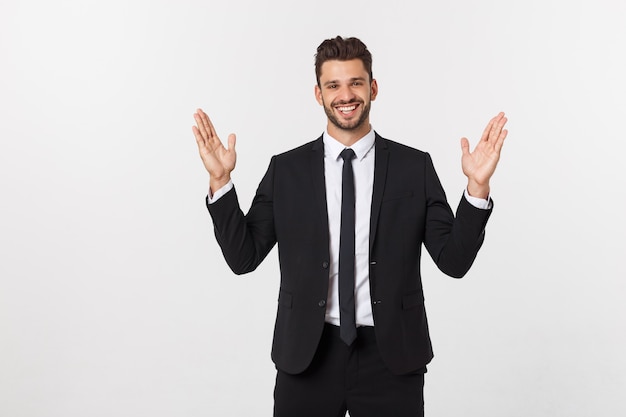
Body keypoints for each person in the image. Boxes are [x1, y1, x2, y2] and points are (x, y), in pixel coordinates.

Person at [192, 35, 508, 417]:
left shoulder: (414, 168)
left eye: (356, 83)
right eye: (334, 85)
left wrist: (476, 188)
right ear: (318, 94)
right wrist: (221, 184)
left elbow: (453, 261)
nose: (346, 95)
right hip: (307, 355)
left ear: (372, 88)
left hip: (392, 357)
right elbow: (243, 257)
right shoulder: (285, 171)